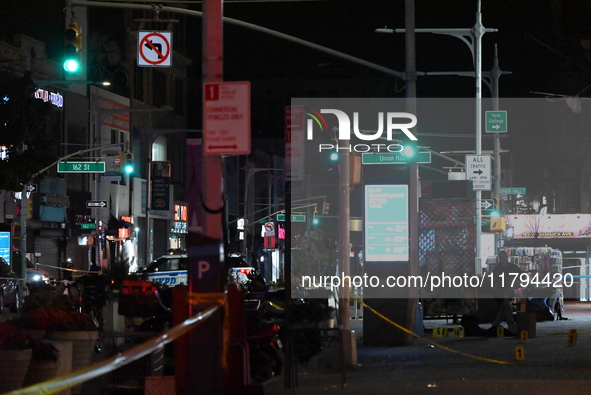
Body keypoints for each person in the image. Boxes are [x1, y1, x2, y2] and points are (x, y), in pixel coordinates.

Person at [489, 251, 523, 336]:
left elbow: (522, 274)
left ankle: (495, 325)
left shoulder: (512, 267)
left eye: (503, 257)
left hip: (509, 291)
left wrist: (517, 282)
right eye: (500, 258)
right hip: (500, 291)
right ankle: (512, 326)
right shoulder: (497, 269)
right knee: (506, 306)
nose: (502, 259)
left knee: (504, 309)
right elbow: (494, 281)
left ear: (506, 257)